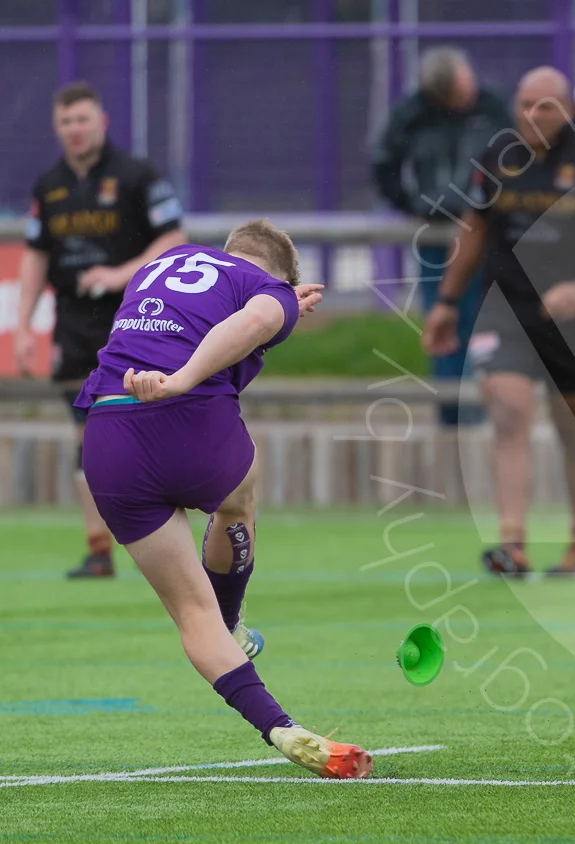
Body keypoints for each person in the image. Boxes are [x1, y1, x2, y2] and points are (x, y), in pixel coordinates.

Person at [73, 219, 371, 779]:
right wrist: (183, 379)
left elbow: (212, 311)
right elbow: (255, 317)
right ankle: (233, 619)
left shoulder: (168, 264)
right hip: (188, 424)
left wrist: (283, 303)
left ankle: (280, 728)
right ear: (282, 277)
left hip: (109, 435)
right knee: (239, 495)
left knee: (191, 613)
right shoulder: (268, 295)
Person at [421, 67, 575, 578]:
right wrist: (448, 300)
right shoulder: (497, 159)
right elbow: (473, 230)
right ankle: (511, 544)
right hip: (506, 307)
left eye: (544, 106)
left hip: (574, 317)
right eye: (524, 105)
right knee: (510, 413)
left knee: (573, 432)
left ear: (566, 110)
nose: (532, 116)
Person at [14, 81, 187, 580]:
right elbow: (37, 255)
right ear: (57, 127)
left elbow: (174, 236)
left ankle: (170, 536)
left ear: (102, 122)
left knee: (150, 422)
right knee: (85, 435)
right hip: (73, 325)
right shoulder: (49, 186)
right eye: (66, 122)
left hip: (138, 320)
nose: (75, 130)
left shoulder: (136, 176)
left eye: (83, 119)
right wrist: (24, 326)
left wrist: (119, 274)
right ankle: (98, 551)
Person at [372, 46, 511, 427]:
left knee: (482, 322)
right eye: (456, 94)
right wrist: (412, 204)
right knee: (443, 321)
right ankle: (452, 416)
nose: (466, 98)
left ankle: (478, 415)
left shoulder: (492, 106)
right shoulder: (413, 113)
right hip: (435, 234)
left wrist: (499, 207)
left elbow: (514, 156)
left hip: (483, 232)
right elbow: (383, 161)